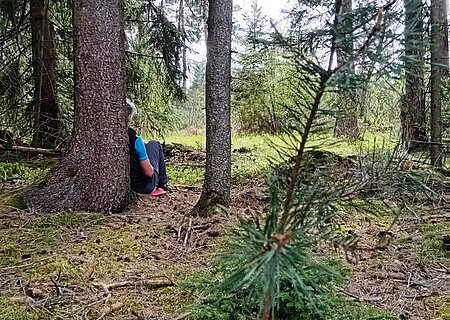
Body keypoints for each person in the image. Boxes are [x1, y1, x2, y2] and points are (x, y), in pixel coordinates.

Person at [126, 99, 171, 195]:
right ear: (129, 117)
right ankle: (162, 184)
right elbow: (148, 173)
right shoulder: (135, 139)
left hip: (124, 186)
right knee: (154, 144)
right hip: (143, 186)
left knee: (147, 146)